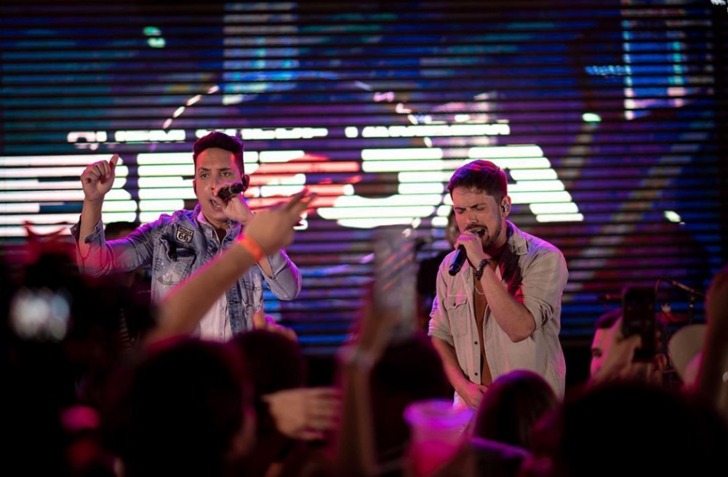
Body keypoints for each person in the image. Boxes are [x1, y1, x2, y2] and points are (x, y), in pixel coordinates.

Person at [71, 131, 302, 340]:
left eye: (224, 173)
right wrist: (93, 200)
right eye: (204, 175)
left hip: (233, 368)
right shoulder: (166, 232)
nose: (214, 185)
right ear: (194, 186)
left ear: (244, 183)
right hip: (179, 367)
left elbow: (288, 290)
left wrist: (249, 221)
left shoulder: (255, 232)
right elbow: (95, 267)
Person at [428, 159, 568, 414]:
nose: (469, 220)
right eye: (460, 210)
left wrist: (480, 262)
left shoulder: (543, 257)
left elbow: (520, 328)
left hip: (527, 412)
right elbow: (439, 335)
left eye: (478, 208)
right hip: (470, 411)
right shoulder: (451, 266)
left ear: (504, 206)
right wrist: (463, 387)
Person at [416, 209, 458, 333]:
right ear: (447, 233)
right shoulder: (430, 266)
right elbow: (417, 312)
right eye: (456, 229)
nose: (463, 236)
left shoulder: (487, 266)